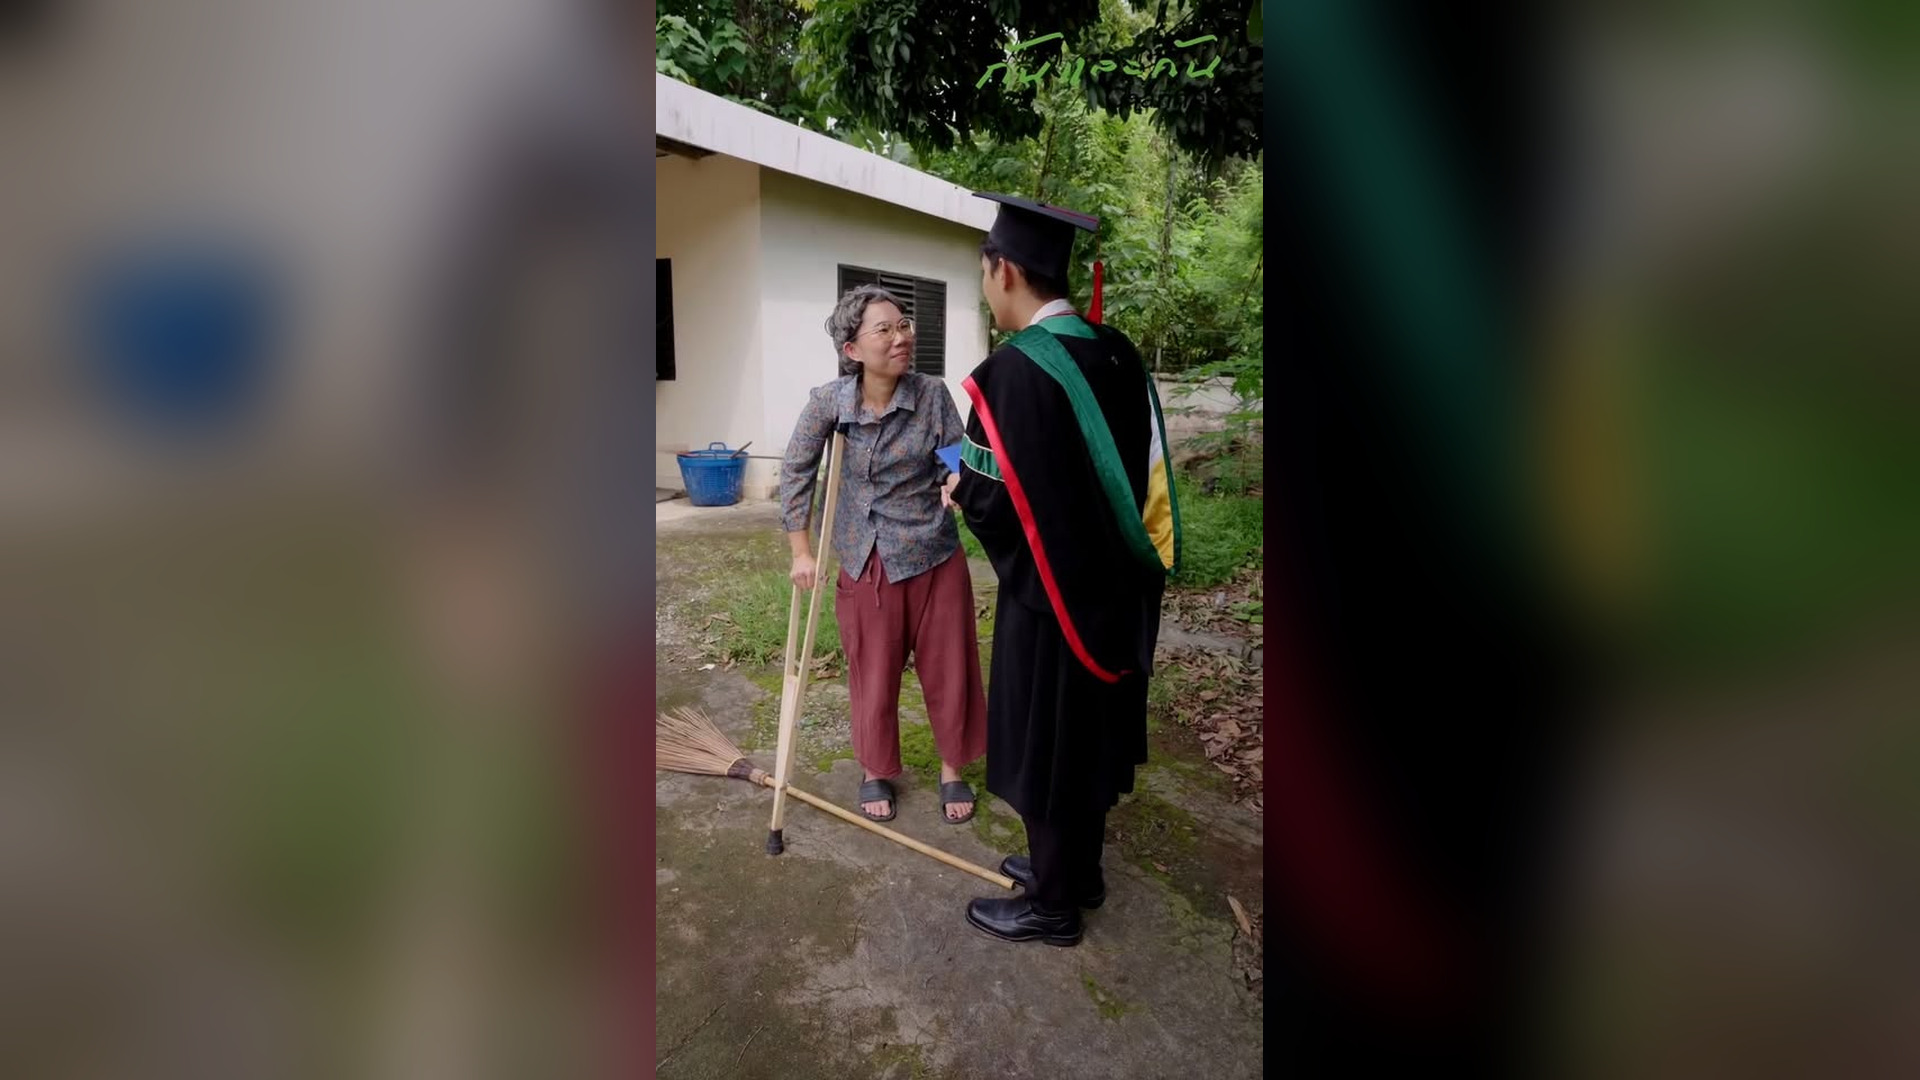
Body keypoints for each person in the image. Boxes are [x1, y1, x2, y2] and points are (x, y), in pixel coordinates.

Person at [952, 193, 1180, 946]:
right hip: (1117, 597)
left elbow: (990, 499)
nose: (987, 286)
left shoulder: (1010, 374)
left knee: (1047, 744)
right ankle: (1079, 873)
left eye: (984, 272)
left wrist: (959, 489)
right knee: (1091, 736)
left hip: (1049, 602)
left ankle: (1052, 907)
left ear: (1006, 270)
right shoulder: (1119, 354)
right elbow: (1145, 481)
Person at [778, 284, 988, 824]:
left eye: (904, 325)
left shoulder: (931, 393)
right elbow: (797, 470)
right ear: (853, 349)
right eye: (885, 329)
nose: (901, 337)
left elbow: (952, 453)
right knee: (872, 671)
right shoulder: (830, 402)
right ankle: (875, 768)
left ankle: (952, 768)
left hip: (933, 551)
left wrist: (954, 479)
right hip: (866, 554)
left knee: (951, 666)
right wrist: (802, 551)